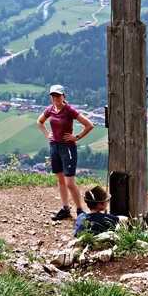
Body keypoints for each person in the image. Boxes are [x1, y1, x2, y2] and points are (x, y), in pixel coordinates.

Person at [37, 84, 94, 221]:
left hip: (68, 148)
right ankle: (65, 209)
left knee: (70, 182)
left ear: (63, 96)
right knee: (60, 180)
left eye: (58, 95)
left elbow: (89, 125)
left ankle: (80, 211)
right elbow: (40, 122)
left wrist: (77, 137)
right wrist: (48, 134)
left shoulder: (69, 110)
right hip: (54, 147)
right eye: (53, 95)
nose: (55, 98)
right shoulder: (50, 110)